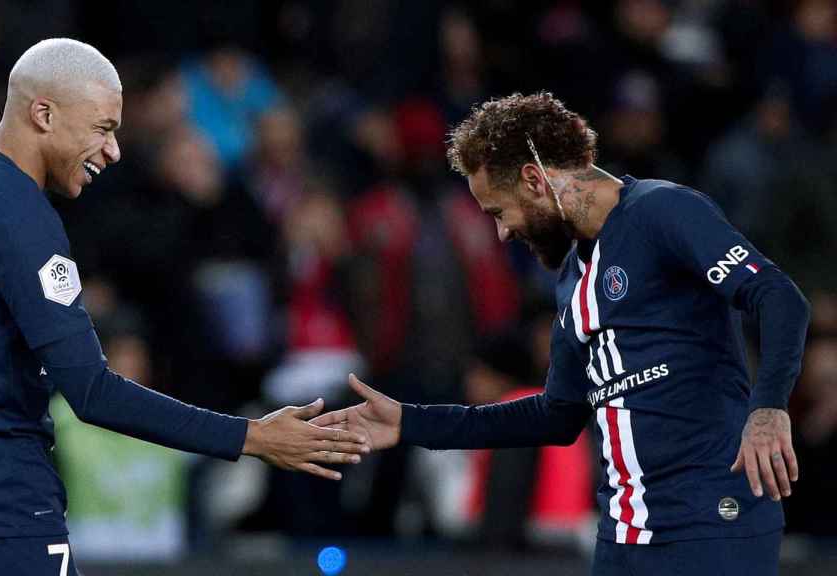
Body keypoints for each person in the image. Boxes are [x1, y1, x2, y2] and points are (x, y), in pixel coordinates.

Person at [0, 38, 368, 576]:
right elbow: (92, 391)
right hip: (1, 513)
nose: (113, 150)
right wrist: (251, 436)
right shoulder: (18, 216)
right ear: (43, 114)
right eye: (102, 128)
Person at [312, 92, 810, 576]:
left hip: (711, 522)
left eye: (498, 212)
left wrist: (768, 408)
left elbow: (777, 296)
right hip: (623, 536)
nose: (503, 233)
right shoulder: (572, 277)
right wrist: (409, 423)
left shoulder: (663, 211)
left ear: (533, 178)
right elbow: (556, 415)